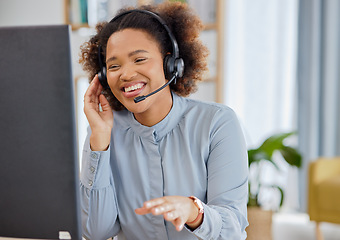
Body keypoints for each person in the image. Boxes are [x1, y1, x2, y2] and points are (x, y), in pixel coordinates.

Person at [79, 2, 248, 240]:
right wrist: (99, 142)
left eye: (139, 59)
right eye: (114, 66)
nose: (126, 74)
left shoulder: (216, 123)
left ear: (171, 64)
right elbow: (95, 231)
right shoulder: (104, 131)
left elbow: (233, 230)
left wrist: (194, 212)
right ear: (104, 77)